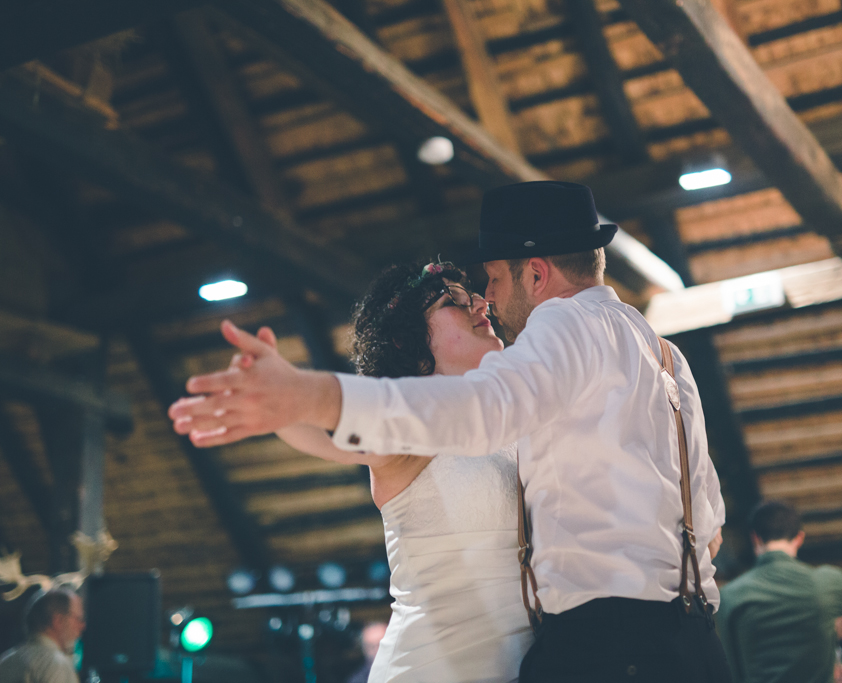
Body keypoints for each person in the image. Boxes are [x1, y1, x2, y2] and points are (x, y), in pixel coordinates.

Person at [169, 181, 729, 683]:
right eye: (455, 302)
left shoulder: (532, 415)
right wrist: (289, 404)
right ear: (414, 350)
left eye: (482, 285)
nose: (482, 301)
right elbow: (339, 437)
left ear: (536, 273)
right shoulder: (658, 354)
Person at [257, 263, 533, 681]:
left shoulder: (514, 419)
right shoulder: (413, 434)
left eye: (469, 295)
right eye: (451, 302)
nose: (479, 303)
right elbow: (327, 432)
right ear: (408, 341)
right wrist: (278, 397)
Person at [717, 501, 842, 683]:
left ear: (755, 538)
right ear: (799, 538)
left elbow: (727, 665)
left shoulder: (729, 596)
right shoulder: (828, 582)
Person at [0, 588, 85, 683]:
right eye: (78, 619)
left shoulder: (5, 661)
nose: (82, 626)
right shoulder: (56, 665)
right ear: (58, 621)